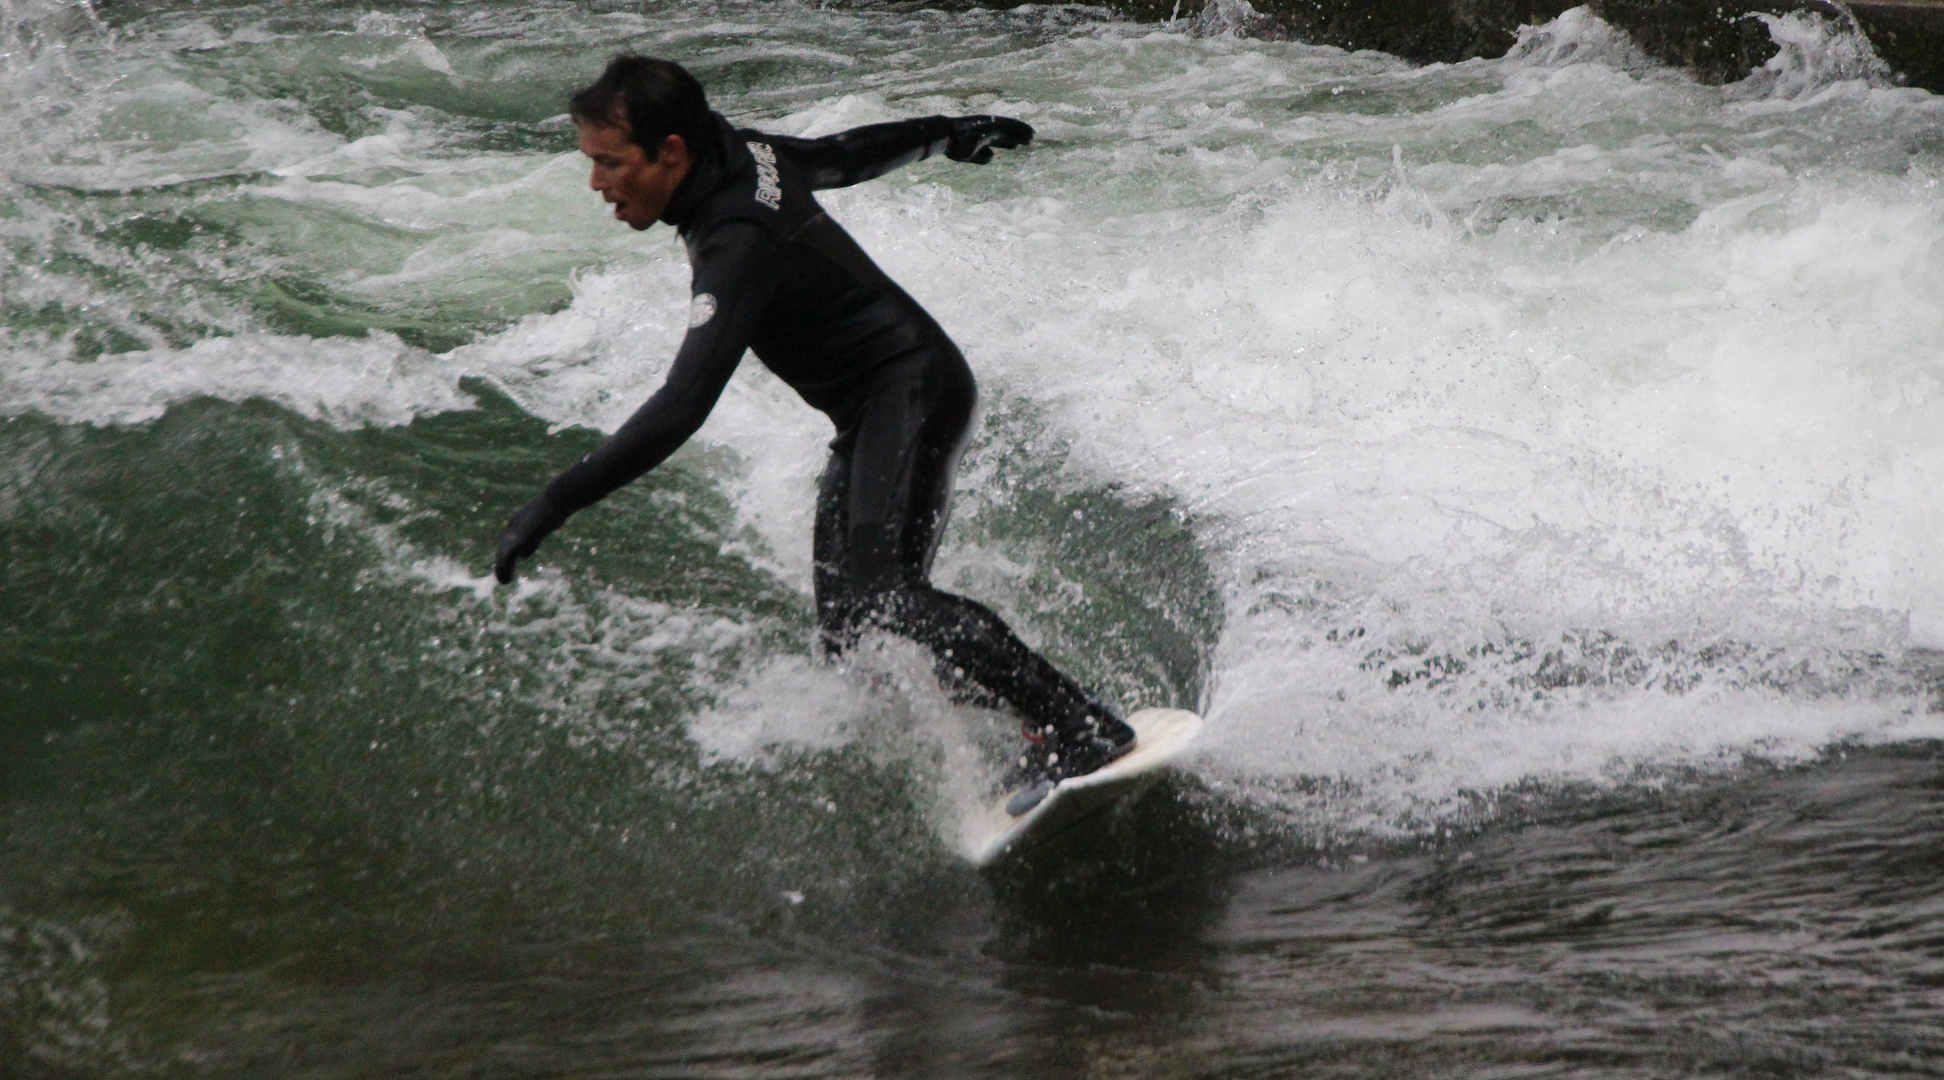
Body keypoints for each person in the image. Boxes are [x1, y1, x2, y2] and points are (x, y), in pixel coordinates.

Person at [492, 55, 1133, 800]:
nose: (597, 183)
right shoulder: (744, 153)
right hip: (874, 407)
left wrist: (555, 501)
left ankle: (1082, 727)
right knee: (850, 633)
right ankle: (1035, 721)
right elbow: (840, 156)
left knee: (887, 593)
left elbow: (682, 404)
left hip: (912, 389)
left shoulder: (735, 240)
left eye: (610, 162)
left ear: (671, 152)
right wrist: (946, 134)